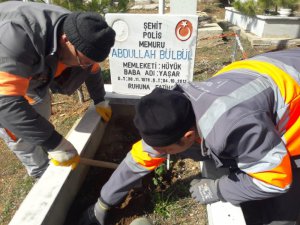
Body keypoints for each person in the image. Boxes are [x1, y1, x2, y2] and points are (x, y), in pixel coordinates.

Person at [79, 47, 300, 225]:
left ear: (188, 135)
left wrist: (218, 189)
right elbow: (140, 158)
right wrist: (103, 202)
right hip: (276, 74)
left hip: (292, 100)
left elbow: (276, 181)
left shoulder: (235, 128)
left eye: (165, 151)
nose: (159, 155)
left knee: (280, 211)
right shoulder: (183, 106)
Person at [0, 1, 115, 178]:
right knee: (20, 134)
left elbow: (91, 69)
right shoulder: (17, 37)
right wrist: (53, 142)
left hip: (33, 68)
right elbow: (6, 104)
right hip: (7, 67)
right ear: (65, 39)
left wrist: (99, 99)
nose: (86, 66)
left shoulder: (78, 32)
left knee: (39, 111)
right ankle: (40, 171)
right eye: (83, 60)